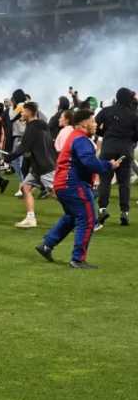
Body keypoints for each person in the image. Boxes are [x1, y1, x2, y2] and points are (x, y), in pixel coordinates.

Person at [36, 109, 120, 269]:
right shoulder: (81, 139)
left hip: (63, 184)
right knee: (88, 220)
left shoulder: (75, 137)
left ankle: (47, 245)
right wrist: (109, 165)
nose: (96, 124)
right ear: (83, 123)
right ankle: (78, 259)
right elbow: (88, 162)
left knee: (72, 217)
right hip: (74, 184)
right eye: (93, 121)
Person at [8, 102, 57, 228]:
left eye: (23, 111)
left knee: (56, 194)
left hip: (44, 166)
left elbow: (23, 147)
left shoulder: (31, 128)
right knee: (25, 188)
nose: (21, 114)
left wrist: (8, 157)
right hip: (40, 166)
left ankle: (81, 215)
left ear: (29, 112)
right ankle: (31, 218)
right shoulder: (42, 125)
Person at [94, 87, 138, 228]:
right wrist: (131, 140)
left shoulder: (107, 111)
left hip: (108, 148)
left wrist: (104, 132)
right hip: (126, 149)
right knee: (124, 182)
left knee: (105, 180)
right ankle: (124, 212)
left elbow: (94, 125)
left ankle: (102, 209)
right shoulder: (134, 114)